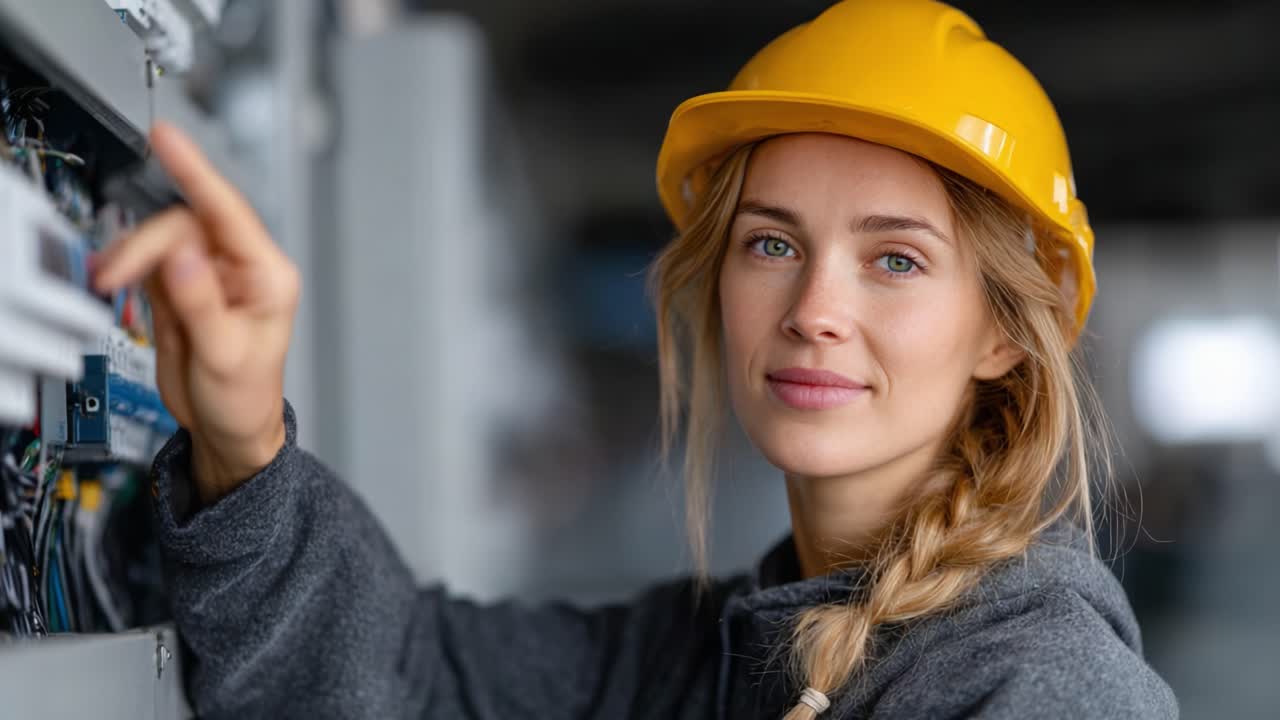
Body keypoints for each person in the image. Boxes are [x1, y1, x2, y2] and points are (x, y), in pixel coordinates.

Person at [92, 1, 1177, 718]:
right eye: (771, 243)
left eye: (893, 260)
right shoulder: (700, 656)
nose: (813, 310)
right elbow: (409, 679)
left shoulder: (1040, 689)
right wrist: (242, 440)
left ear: (999, 331)